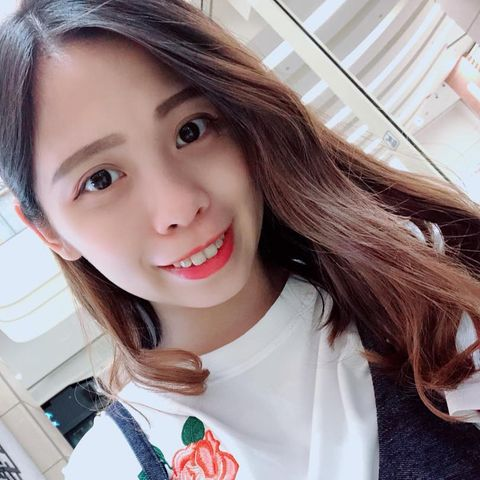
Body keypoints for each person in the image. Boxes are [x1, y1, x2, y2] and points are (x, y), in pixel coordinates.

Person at [0, 1, 479, 479]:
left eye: (191, 131)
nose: (179, 207)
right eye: (100, 180)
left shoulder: (415, 289)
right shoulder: (112, 467)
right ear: (48, 230)